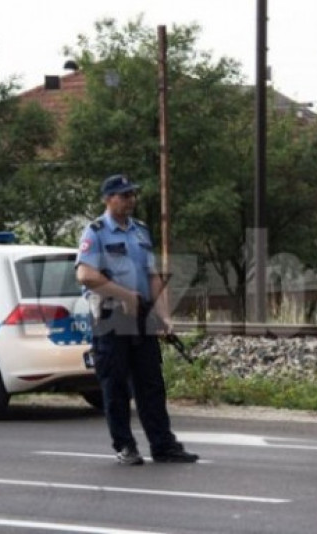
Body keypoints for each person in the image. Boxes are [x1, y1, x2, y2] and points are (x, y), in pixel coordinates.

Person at [75, 173, 199, 466]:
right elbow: (85, 275)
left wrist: (164, 315)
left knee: (151, 384)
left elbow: (153, 277)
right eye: (124, 195)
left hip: (141, 317)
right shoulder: (95, 232)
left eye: (132, 194)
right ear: (108, 199)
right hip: (110, 318)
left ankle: (163, 445)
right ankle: (125, 446)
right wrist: (124, 295)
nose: (131, 199)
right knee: (116, 386)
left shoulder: (140, 232)